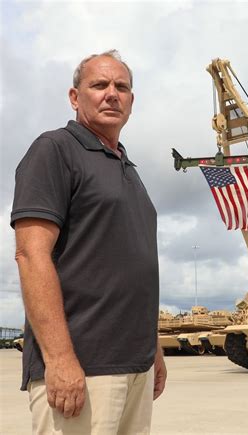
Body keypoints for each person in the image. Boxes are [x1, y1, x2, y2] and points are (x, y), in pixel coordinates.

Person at [11, 49, 167, 434]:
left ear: (132, 100)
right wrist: (60, 359)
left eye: (122, 87)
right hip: (84, 367)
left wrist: (154, 349)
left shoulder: (128, 168)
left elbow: (133, 266)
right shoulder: (55, 150)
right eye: (99, 85)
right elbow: (31, 255)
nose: (112, 94)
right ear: (75, 97)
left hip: (135, 366)